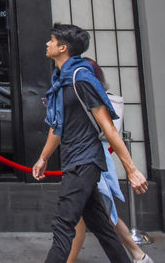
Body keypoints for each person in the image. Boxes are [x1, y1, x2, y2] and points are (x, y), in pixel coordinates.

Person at [33, 24, 148, 263]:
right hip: (73, 158)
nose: (47, 44)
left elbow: (108, 127)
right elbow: (58, 126)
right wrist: (43, 157)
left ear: (62, 48)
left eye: (51, 40)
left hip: (85, 161)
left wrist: (132, 169)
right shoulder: (61, 81)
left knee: (63, 225)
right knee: (103, 227)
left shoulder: (81, 78)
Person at [67, 58, 154, 263]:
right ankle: (138, 255)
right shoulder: (87, 94)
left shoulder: (88, 96)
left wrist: (131, 170)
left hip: (90, 159)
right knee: (101, 212)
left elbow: (106, 130)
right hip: (89, 158)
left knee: (89, 214)